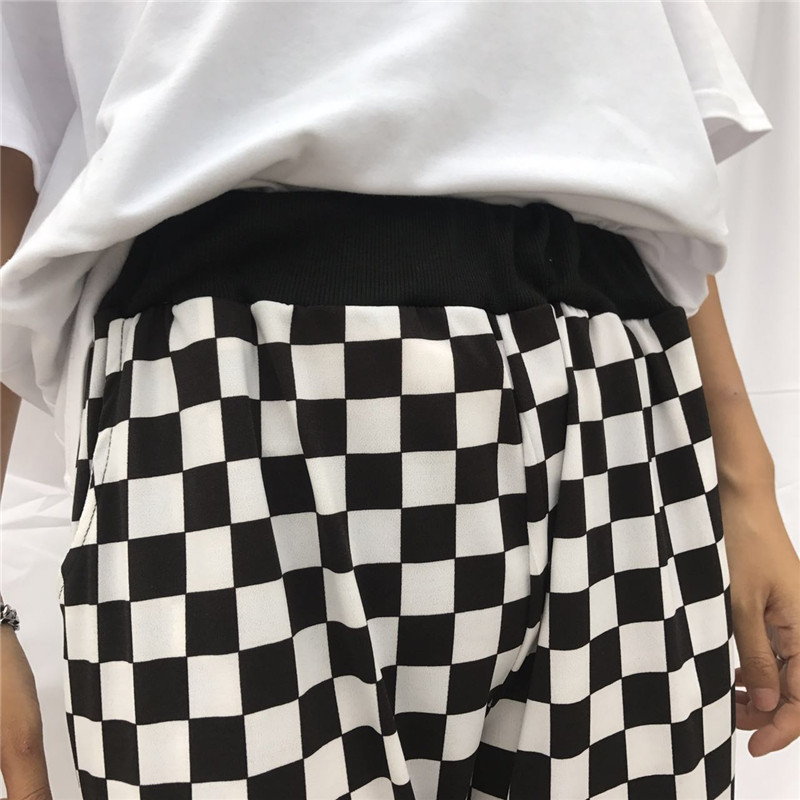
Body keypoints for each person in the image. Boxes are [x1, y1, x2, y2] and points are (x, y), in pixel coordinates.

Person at [0, 2, 797, 798]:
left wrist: (746, 481)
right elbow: (11, 143)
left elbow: (652, 147)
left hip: (606, 385)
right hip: (216, 397)